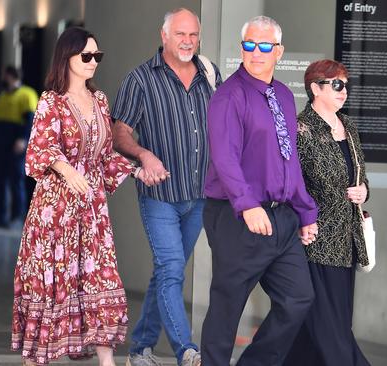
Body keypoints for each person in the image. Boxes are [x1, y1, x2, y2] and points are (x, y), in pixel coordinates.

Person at [11, 27, 147, 366]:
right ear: (67, 59)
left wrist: (136, 169)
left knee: (100, 276)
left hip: (92, 211)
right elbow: (41, 149)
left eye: (97, 56)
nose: (92, 62)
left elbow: (103, 156)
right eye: (86, 56)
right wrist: (67, 170)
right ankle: (36, 358)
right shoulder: (51, 101)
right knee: (52, 282)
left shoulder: (100, 101)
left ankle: (106, 360)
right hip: (55, 210)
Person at [201, 15, 319, 366]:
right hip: (239, 216)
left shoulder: (283, 94)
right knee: (227, 307)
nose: (255, 52)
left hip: (280, 218)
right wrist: (248, 204)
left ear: (278, 52)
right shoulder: (229, 96)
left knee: (299, 298)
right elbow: (225, 157)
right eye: (249, 45)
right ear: (242, 48)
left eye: (264, 46)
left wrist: (305, 211)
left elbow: (288, 158)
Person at [111, 8, 220, 366]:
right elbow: (119, 132)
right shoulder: (140, 79)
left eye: (193, 35)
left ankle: (140, 347)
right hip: (160, 197)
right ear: (164, 36)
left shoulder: (210, 75)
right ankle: (185, 350)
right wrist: (144, 154)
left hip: (200, 196)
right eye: (180, 34)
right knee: (173, 267)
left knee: (166, 272)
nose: (188, 41)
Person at [283, 59, 371, 366]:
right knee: (330, 325)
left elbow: (360, 176)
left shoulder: (349, 127)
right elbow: (292, 183)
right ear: (315, 88)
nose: (343, 91)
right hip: (316, 240)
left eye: (345, 84)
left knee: (329, 322)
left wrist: (363, 191)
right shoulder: (301, 130)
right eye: (336, 85)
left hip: (348, 241)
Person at [0, 65, 38, 228]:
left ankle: (18, 216)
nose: (3, 79)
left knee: (16, 179)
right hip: (0, 140)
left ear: (12, 76)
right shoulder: (3, 95)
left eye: (5, 76)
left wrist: (23, 139)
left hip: (16, 140)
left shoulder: (27, 94)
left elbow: (30, 120)